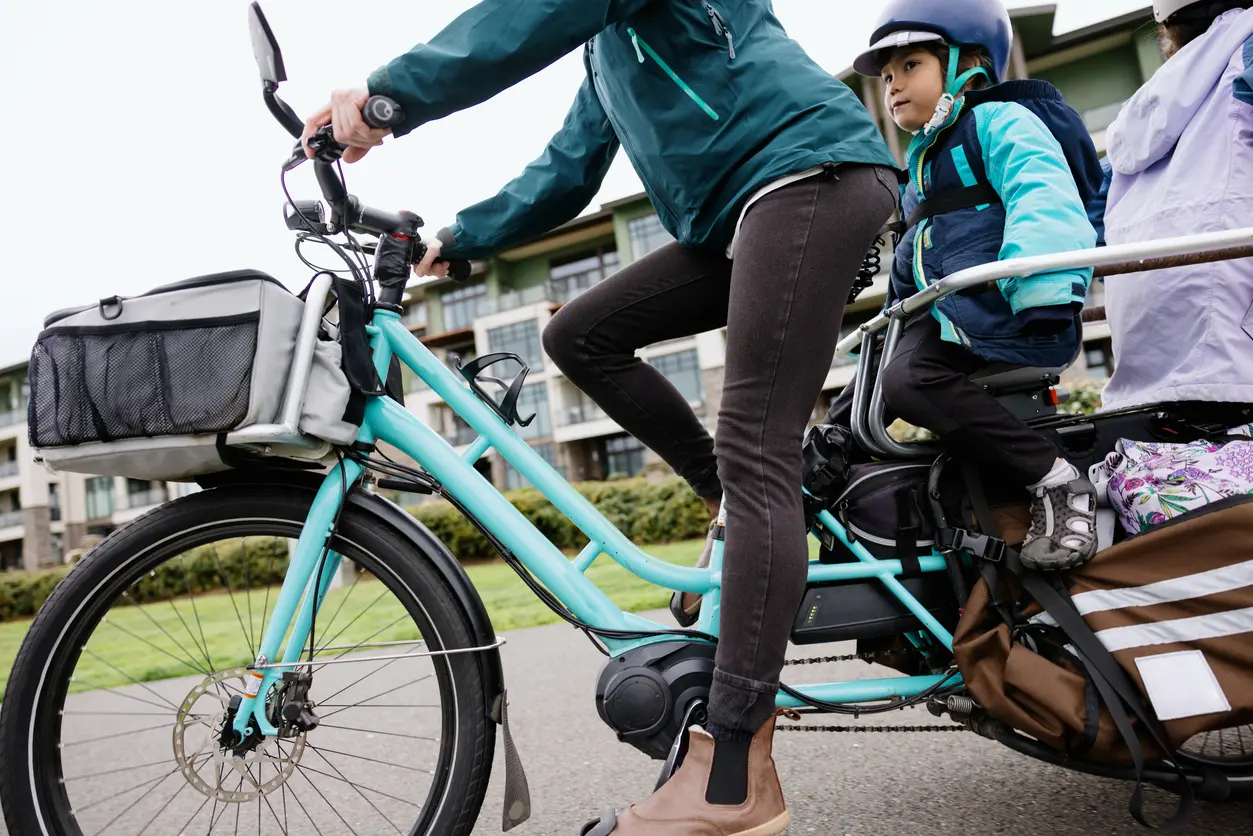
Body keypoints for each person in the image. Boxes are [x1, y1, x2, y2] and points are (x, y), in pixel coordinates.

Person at [302, 2, 898, 833]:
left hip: (807, 174)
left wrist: (383, 101)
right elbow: (569, 166)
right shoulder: (607, 52)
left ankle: (732, 775)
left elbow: (525, 19)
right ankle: (733, 499)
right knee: (580, 333)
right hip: (743, 210)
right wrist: (463, 238)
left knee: (754, 446)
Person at [827, 0, 1105, 573]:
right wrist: (887, 324)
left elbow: (1041, 195)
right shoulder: (923, 160)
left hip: (1001, 306)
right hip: (949, 311)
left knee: (907, 381)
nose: (893, 86)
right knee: (847, 409)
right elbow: (913, 255)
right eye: (886, 76)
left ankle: (1054, 478)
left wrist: (1044, 292)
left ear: (967, 64)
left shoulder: (1000, 122)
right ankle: (841, 523)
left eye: (911, 66)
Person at [1096, 1, 1253, 411]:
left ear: (1167, 32)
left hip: (1145, 362)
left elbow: (1088, 213)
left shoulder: (1139, 115)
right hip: (1233, 347)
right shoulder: (1247, 55)